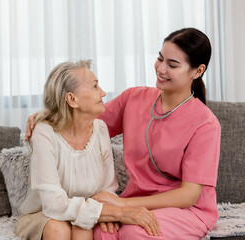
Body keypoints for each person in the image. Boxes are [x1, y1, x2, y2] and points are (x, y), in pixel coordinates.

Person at [25, 28, 221, 240]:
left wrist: (123, 205)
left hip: (185, 210)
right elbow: (82, 117)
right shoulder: (134, 98)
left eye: (172, 65)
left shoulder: (206, 124)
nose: (161, 69)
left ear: (197, 71)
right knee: (100, 232)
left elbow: (188, 195)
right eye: (160, 58)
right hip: (132, 202)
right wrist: (47, 117)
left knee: (134, 232)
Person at [16, 60, 160, 240]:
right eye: (94, 86)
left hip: (86, 211)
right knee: (58, 229)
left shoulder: (100, 129)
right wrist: (115, 213)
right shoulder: (44, 132)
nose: (103, 93)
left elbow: (108, 187)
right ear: (72, 99)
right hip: (44, 214)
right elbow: (52, 203)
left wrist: (103, 212)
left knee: (83, 227)